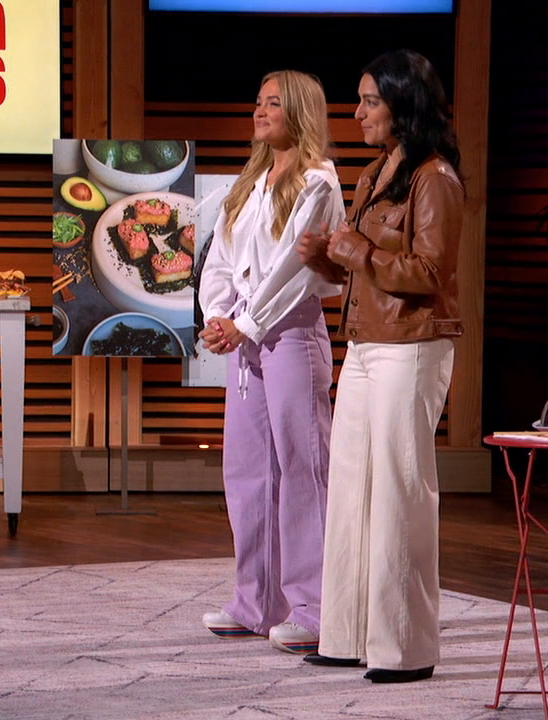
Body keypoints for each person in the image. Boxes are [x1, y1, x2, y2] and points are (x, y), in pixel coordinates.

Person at [296, 49, 464, 683]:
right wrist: (326, 255)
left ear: (402, 104)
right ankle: (345, 635)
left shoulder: (434, 177)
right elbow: (360, 265)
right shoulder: (373, 173)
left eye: (370, 101)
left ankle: (405, 649)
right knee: (351, 490)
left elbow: (430, 272)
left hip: (413, 344)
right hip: (366, 342)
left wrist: (356, 250)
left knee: (399, 490)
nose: (358, 112)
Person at [197, 69, 346, 655]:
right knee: (248, 470)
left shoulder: (318, 182)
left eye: (274, 103)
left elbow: (297, 270)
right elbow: (221, 257)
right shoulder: (250, 181)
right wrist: (218, 315)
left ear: (300, 112)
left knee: (302, 471)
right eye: (258, 102)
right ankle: (256, 602)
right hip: (245, 339)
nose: (260, 112)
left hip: (290, 335)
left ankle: (315, 608)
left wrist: (247, 323)